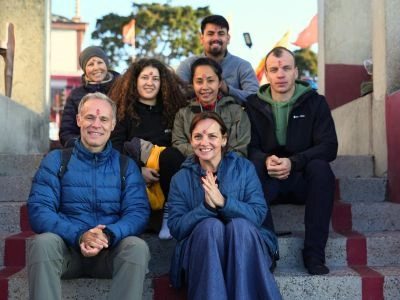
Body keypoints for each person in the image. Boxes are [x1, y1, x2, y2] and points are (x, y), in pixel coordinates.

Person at [27, 92, 150, 299]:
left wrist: (108, 235)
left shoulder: (125, 166)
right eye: (90, 117)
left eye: (103, 119)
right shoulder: (56, 160)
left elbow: (137, 212)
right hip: (67, 250)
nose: (96, 125)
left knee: (137, 248)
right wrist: (80, 234)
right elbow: (39, 210)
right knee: (42, 243)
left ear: (112, 125)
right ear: (78, 120)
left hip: (110, 251)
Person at [168, 112, 281, 300]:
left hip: (246, 246)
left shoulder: (244, 168)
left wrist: (223, 202)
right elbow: (176, 228)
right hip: (202, 252)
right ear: (191, 140)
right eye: (198, 137)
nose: (204, 142)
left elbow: (258, 215)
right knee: (210, 226)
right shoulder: (180, 179)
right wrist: (206, 208)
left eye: (212, 136)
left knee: (241, 227)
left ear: (224, 139)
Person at [246, 46, 338, 275]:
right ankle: (267, 249)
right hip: (268, 180)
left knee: (321, 168)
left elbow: (329, 146)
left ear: (296, 72)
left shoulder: (316, 102)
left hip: (301, 180)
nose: (280, 74)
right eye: (274, 69)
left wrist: (294, 162)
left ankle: (314, 254)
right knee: (251, 166)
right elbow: (248, 146)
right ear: (266, 74)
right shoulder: (251, 105)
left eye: (286, 68)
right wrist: (266, 160)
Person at [109, 58, 188, 240]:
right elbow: (115, 148)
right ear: (135, 81)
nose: (150, 83)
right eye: (145, 77)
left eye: (155, 78)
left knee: (171, 155)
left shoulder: (173, 110)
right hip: (135, 173)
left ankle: (170, 215)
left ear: (163, 83)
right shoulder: (124, 112)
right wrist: (138, 171)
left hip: (168, 173)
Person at [172, 57, 250, 157]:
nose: (205, 87)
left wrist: (214, 159)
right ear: (193, 85)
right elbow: (178, 144)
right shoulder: (183, 115)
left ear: (220, 83)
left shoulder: (236, 112)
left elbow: (240, 149)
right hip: (193, 168)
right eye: (199, 81)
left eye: (210, 81)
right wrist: (205, 155)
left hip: (229, 169)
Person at [176, 14, 259, 104]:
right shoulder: (188, 65)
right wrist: (200, 88)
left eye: (221, 34)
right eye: (210, 34)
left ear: (228, 38)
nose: (216, 38)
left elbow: (254, 97)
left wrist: (227, 89)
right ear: (202, 38)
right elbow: (176, 94)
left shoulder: (242, 66)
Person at [59, 45, 119, 147]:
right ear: (84, 69)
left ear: (106, 64)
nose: (96, 68)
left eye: (100, 62)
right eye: (91, 64)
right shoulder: (75, 95)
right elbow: (66, 132)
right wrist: (84, 148)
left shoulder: (121, 90)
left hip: (117, 153)